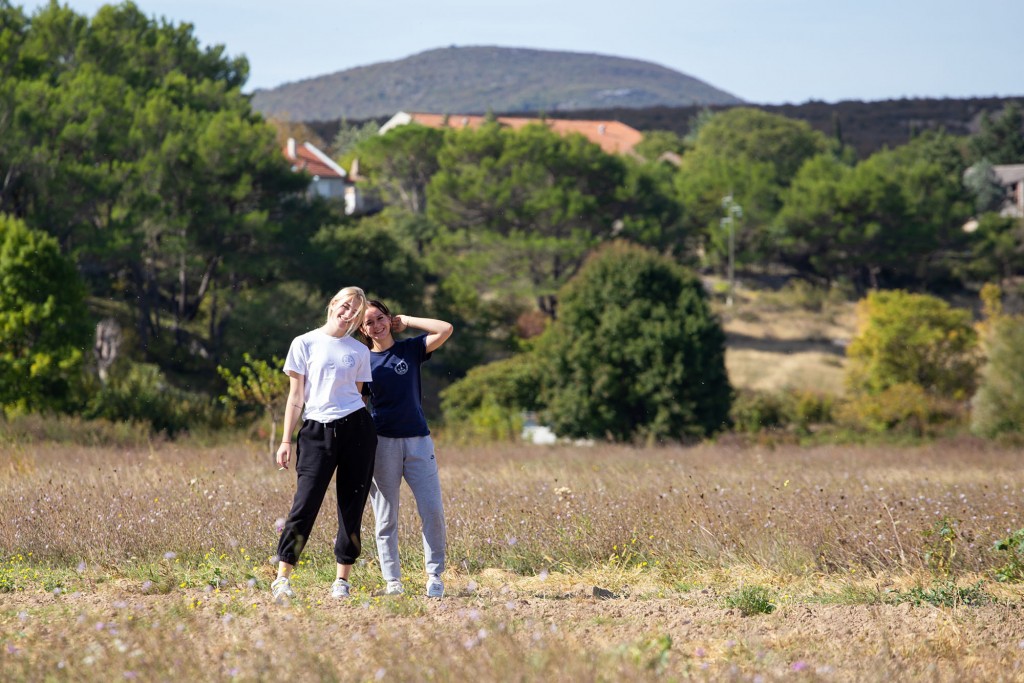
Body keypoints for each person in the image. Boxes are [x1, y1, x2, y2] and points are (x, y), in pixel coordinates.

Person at [270, 286, 378, 603]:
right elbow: (295, 397)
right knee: (304, 504)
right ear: (332, 305)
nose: (348, 314)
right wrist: (286, 439)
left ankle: (342, 580)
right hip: (316, 431)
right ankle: (282, 578)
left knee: (352, 506)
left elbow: (357, 394)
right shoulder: (304, 343)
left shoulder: (359, 351)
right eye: (345, 306)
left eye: (355, 312)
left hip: (357, 430)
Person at [361, 300, 453, 598]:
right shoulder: (363, 361)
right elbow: (357, 402)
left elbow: (445, 329)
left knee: (432, 509)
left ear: (389, 318)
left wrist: (408, 320)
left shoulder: (410, 349)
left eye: (380, 318)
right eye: (369, 322)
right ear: (362, 330)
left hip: (418, 441)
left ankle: (435, 576)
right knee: (386, 517)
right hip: (382, 444)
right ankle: (393, 582)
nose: (377, 325)